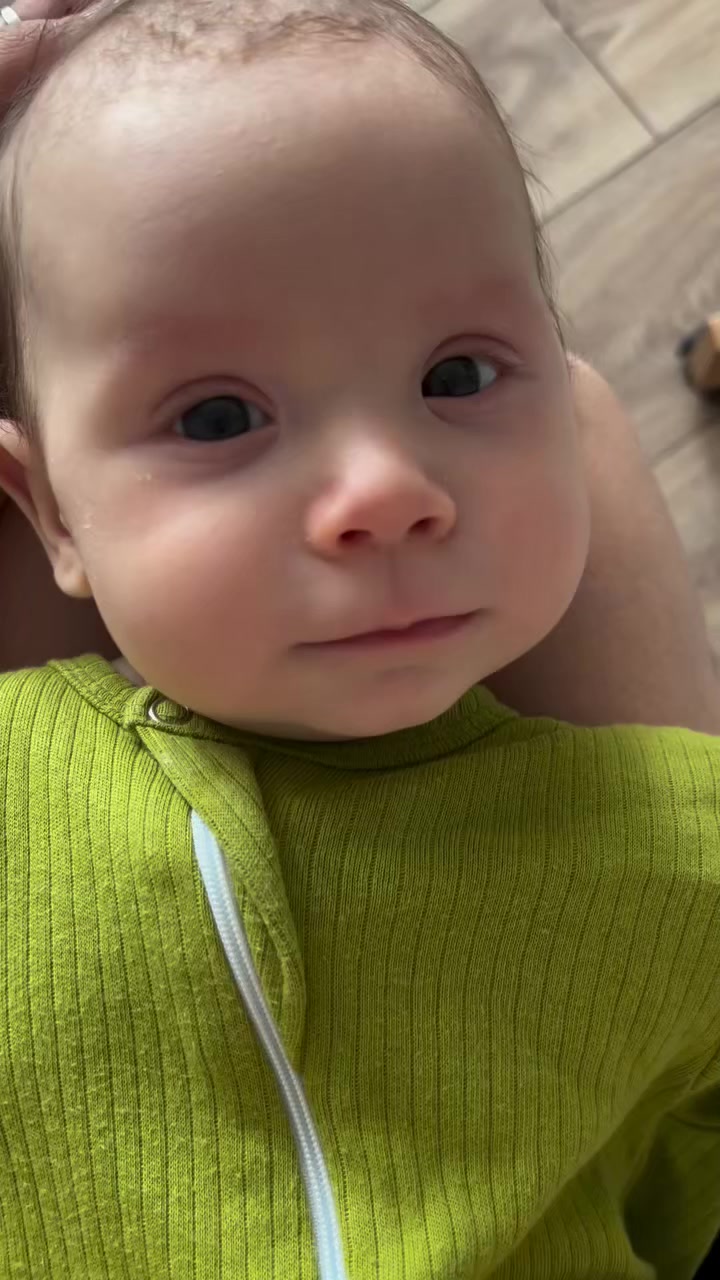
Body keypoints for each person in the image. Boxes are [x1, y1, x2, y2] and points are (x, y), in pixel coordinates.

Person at [0, 2, 718, 1277]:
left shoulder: (682, 846)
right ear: (50, 511)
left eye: (459, 377)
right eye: (218, 416)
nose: (389, 489)